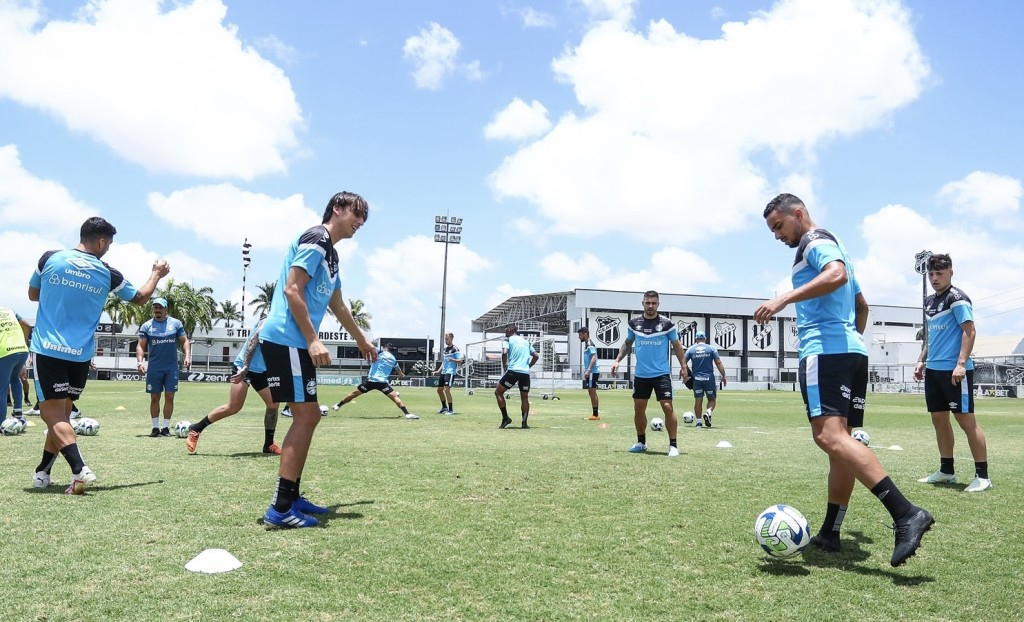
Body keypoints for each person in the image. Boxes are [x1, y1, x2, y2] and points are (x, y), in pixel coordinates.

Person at [755, 193, 933, 567]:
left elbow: (836, 277)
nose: (776, 235)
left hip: (825, 350)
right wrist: (850, 341)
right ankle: (831, 532)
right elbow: (862, 305)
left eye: (778, 226)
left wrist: (784, 299)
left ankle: (905, 513)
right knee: (840, 442)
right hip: (851, 350)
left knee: (828, 436)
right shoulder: (837, 245)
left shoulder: (815, 242)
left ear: (798, 214)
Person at [259, 191, 376, 528]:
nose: (360, 223)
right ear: (336, 209)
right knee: (307, 417)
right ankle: (281, 508)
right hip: (287, 338)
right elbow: (292, 289)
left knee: (308, 417)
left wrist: (361, 340)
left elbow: (338, 304)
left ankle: (292, 496)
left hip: (294, 341)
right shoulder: (316, 237)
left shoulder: (332, 254)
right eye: (356, 214)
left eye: (363, 219)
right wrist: (313, 340)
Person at [28, 216, 169, 493]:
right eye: (110, 244)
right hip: (79, 355)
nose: (108, 249)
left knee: (53, 416)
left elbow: (33, 294)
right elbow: (140, 297)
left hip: (49, 349)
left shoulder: (49, 259)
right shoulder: (107, 273)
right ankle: (42, 472)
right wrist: (156, 274)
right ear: (102, 241)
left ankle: (79, 469)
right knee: (62, 416)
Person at [912, 253, 991, 493]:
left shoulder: (958, 298)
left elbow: (970, 331)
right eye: (931, 274)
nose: (935, 278)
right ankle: (947, 471)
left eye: (940, 273)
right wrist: (921, 360)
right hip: (934, 371)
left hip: (955, 371)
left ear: (950, 272)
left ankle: (983, 476)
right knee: (939, 420)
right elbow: (932, 335)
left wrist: (960, 363)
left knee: (966, 420)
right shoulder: (929, 301)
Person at [185, 316, 282, 455]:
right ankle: (196, 429)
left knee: (273, 404)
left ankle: (269, 444)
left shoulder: (288, 325)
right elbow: (253, 341)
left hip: (262, 370)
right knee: (233, 407)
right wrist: (245, 367)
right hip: (244, 367)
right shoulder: (268, 321)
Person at [610, 291, 686, 457]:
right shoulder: (634, 323)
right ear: (642, 303)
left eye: (653, 303)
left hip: (661, 374)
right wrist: (617, 360)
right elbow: (627, 343)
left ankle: (673, 446)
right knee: (639, 408)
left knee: (667, 406)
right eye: (647, 303)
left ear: (658, 304)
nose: (650, 306)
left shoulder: (667, 324)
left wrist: (684, 366)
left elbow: (677, 345)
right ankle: (641, 442)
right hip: (641, 375)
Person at [136, 298, 191, 437]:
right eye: (155, 307)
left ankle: (165, 428)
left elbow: (185, 341)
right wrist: (140, 362)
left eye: (160, 307)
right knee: (154, 398)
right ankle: (155, 428)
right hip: (154, 368)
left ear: (166, 309)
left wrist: (187, 356)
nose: (157, 310)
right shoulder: (146, 326)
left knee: (170, 396)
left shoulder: (176, 324)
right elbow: (140, 346)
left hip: (171, 367)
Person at [333, 342, 418, 419]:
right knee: (395, 397)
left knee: (354, 394)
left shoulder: (380, 352)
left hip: (371, 381)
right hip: (383, 384)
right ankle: (407, 414)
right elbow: (400, 373)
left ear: (385, 348)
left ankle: (338, 405)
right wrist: (400, 375)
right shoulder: (393, 359)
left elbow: (368, 346)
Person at [495, 324, 539, 429]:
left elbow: (504, 352)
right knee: (524, 397)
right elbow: (536, 356)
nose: (505, 331)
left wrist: (504, 365)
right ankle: (524, 423)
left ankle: (506, 418)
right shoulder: (526, 342)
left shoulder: (507, 339)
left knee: (498, 392)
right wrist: (529, 366)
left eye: (506, 329)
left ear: (510, 330)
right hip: (525, 373)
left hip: (513, 371)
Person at [683, 331, 727, 428]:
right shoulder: (711, 349)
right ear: (705, 338)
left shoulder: (690, 349)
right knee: (711, 399)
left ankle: (699, 422)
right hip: (709, 377)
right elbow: (718, 363)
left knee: (698, 400)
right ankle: (708, 411)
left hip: (697, 378)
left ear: (696, 339)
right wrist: (723, 376)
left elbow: (683, 363)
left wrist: (683, 374)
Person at [1, 306, 32, 424]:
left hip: (5, 352)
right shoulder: (8, 310)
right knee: (15, 379)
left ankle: (1, 423)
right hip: (21, 349)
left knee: (2, 388)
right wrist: (24, 340)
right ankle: (18, 412)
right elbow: (27, 325)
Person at [433, 332, 463, 414]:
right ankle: (444, 407)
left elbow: (460, 360)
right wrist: (438, 371)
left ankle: (451, 409)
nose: (446, 340)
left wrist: (453, 360)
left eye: (447, 339)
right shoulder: (445, 350)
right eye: (445, 339)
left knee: (446, 390)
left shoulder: (455, 349)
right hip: (443, 372)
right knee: (439, 390)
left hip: (450, 372)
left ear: (452, 338)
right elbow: (444, 362)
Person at [578, 326, 600, 420]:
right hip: (591, 371)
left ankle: (595, 415)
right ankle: (595, 414)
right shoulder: (587, 343)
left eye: (580, 335)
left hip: (592, 371)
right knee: (592, 392)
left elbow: (594, 357)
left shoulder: (590, 344)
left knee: (592, 392)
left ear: (585, 334)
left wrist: (589, 370)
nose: (579, 337)